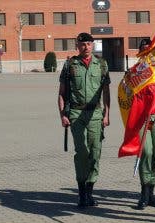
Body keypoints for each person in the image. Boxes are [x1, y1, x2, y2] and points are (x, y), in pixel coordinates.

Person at [57, 32, 111, 208]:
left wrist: (107, 114)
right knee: (82, 153)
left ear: (93, 45)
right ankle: (81, 193)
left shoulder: (102, 64)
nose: (85, 47)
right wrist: (62, 115)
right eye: (82, 44)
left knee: (95, 153)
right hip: (76, 114)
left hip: (95, 114)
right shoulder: (70, 65)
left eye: (88, 44)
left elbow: (106, 92)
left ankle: (89, 191)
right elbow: (62, 93)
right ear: (77, 46)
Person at [136, 38, 155, 210]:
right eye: (144, 50)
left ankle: (151, 191)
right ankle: (144, 191)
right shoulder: (135, 71)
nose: (147, 52)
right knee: (147, 152)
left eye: (149, 49)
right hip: (142, 119)